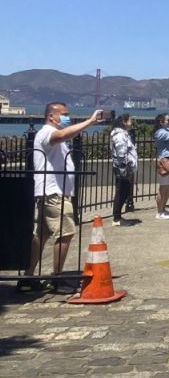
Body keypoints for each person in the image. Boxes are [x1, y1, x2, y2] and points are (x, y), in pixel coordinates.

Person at [19, 103, 103, 292]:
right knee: (66, 232)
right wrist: (89, 121)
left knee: (41, 235)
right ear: (51, 116)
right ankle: (57, 278)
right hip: (53, 192)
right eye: (64, 115)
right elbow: (62, 135)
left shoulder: (51, 134)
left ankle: (28, 276)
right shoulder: (47, 133)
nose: (67, 117)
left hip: (50, 192)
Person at [109, 113, 138, 226]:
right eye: (130, 120)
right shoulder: (120, 135)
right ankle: (116, 218)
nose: (132, 123)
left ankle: (118, 216)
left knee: (124, 191)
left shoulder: (123, 134)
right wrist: (124, 167)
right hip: (122, 168)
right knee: (121, 191)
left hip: (123, 167)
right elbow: (121, 152)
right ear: (124, 122)